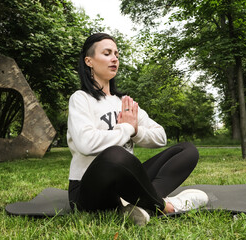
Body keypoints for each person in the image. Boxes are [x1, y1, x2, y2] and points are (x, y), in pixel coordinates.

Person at [67, 33, 208, 225]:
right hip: (88, 190)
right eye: (107, 53)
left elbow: (161, 136)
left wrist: (135, 131)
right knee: (116, 154)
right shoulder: (80, 98)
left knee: (187, 150)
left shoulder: (125, 102)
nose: (114, 58)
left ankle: (137, 206)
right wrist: (125, 128)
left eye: (116, 53)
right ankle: (166, 206)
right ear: (89, 61)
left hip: (125, 185)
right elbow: (85, 143)